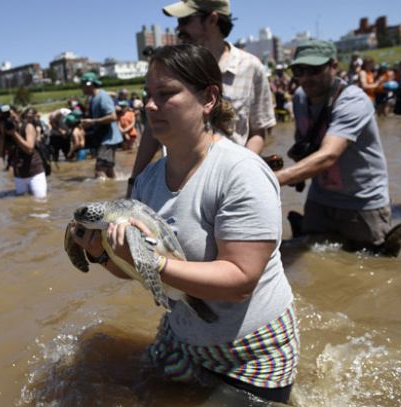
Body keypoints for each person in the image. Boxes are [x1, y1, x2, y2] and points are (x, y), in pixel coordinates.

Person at [69, 44, 298, 403]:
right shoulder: (148, 180)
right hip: (185, 336)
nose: (149, 105)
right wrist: (102, 255)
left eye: (166, 93)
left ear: (208, 98)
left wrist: (155, 264)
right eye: (148, 94)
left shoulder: (241, 173)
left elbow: (240, 281)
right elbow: (136, 270)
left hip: (251, 353)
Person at [274, 40, 401, 256]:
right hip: (320, 198)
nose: (307, 77)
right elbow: (303, 139)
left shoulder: (353, 100)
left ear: (334, 66)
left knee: (373, 265)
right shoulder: (300, 98)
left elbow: (328, 155)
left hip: (362, 200)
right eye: (300, 70)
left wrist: (275, 179)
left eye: (315, 69)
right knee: (311, 257)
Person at [127, 0, 275, 196]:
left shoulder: (251, 67)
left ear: (212, 19)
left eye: (185, 20)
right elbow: (152, 131)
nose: (179, 28)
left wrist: (243, 170)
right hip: (176, 184)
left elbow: (258, 130)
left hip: (229, 185)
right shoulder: (172, 67)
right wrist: (134, 181)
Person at [79, 72, 124, 179]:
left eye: (82, 84)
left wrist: (93, 121)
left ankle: (103, 193)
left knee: (99, 171)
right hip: (105, 139)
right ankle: (118, 188)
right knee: (108, 171)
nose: (81, 87)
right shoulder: (92, 98)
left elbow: (113, 117)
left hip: (108, 140)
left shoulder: (102, 97)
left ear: (89, 84)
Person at [6, 108, 48, 198]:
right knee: (22, 206)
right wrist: (2, 134)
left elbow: (29, 149)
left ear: (18, 113)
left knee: (41, 203)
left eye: (11, 114)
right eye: (7, 116)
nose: (10, 118)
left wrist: (14, 134)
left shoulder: (28, 126)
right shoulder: (7, 131)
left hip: (35, 171)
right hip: (19, 173)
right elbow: (1, 154)